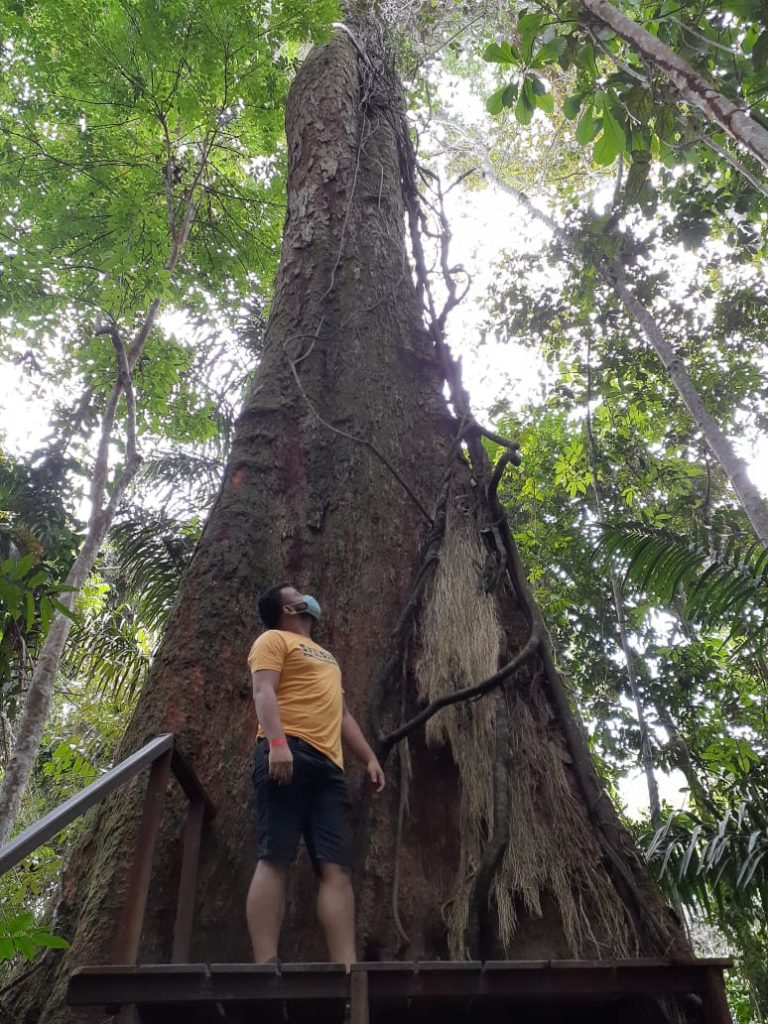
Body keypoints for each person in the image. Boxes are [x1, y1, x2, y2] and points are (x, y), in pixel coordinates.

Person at [246, 583, 385, 969]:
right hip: (287, 750)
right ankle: (266, 964)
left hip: (330, 767)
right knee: (276, 855)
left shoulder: (327, 658)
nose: (307, 596)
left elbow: (341, 715)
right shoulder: (273, 639)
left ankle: (347, 970)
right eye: (298, 593)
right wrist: (276, 744)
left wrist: (369, 757)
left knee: (336, 866)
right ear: (288, 608)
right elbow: (263, 691)